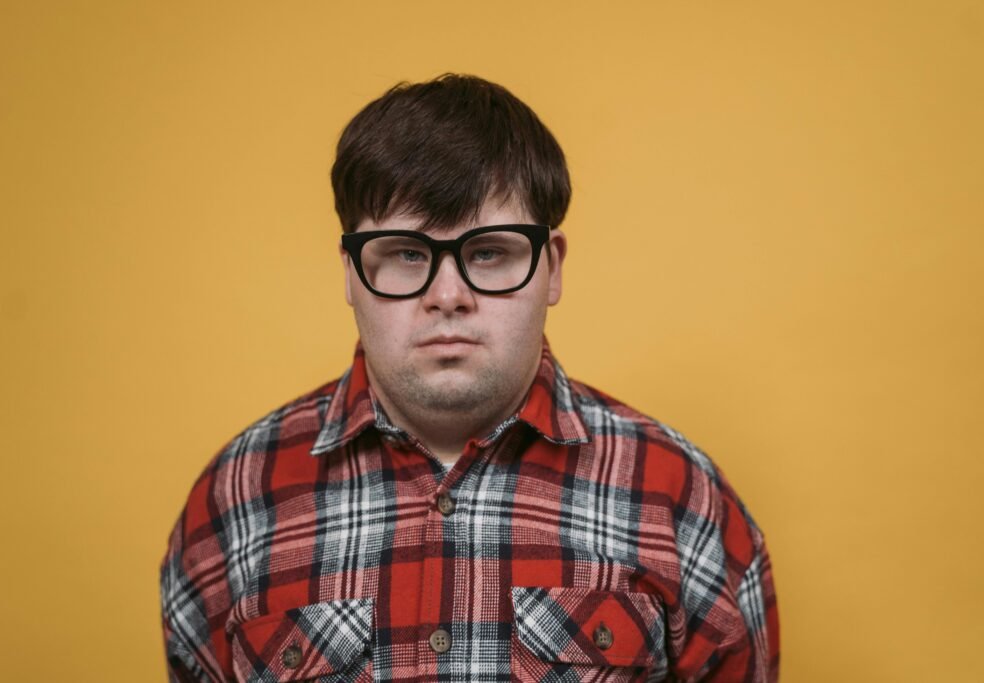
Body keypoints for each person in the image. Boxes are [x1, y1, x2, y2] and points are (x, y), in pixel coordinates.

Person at [159, 73, 779, 682]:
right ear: (351, 272)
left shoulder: (680, 498)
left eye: (488, 253)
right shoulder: (234, 498)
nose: (447, 296)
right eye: (406, 253)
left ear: (551, 267)